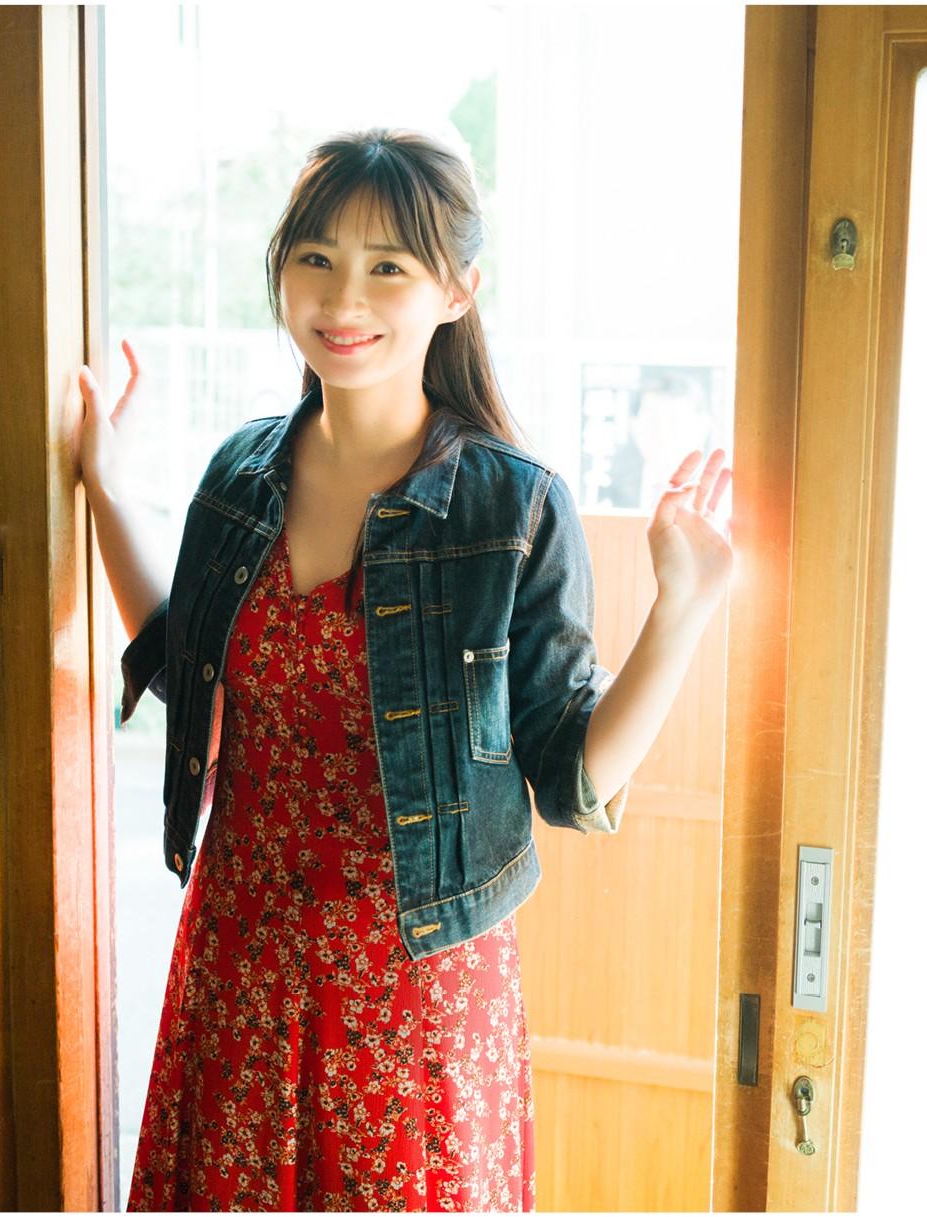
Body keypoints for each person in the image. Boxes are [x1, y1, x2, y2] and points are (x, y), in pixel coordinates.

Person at [72, 126, 733, 1211]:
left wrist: (683, 610)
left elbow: (572, 774)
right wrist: (106, 484)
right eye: (316, 257)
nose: (344, 296)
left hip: (415, 992)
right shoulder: (239, 475)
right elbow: (180, 651)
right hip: (239, 958)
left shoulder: (511, 505)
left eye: (389, 265)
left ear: (458, 290)